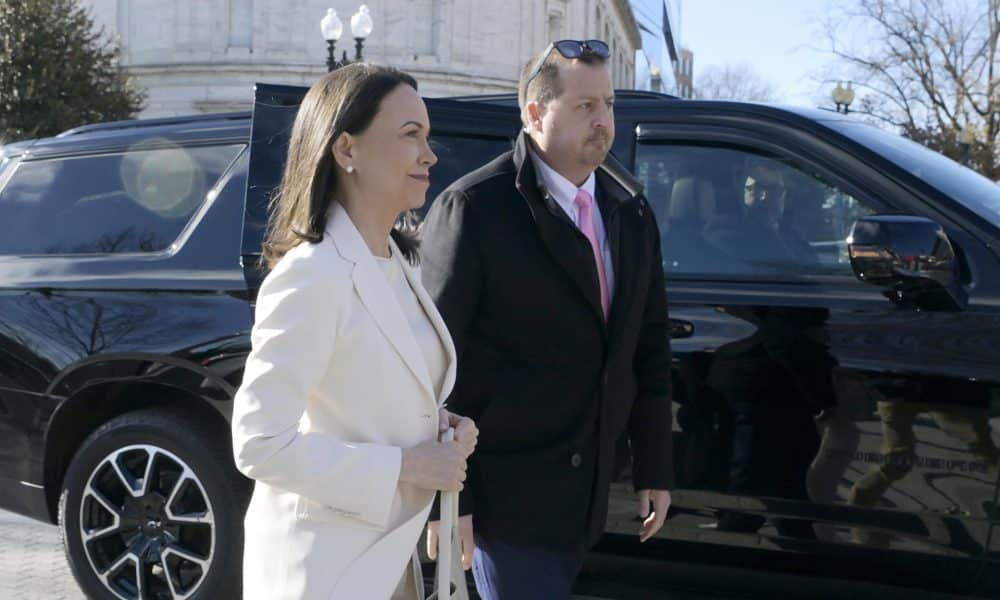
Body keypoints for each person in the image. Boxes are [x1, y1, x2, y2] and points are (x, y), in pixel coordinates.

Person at [420, 40, 674, 600]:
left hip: (588, 498)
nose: (603, 120)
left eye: (608, 104)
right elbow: (435, 371)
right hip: (507, 500)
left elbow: (648, 345)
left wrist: (654, 465)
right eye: (585, 106)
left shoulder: (629, 208)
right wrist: (453, 499)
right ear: (534, 113)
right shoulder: (476, 209)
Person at [231, 64, 477, 600]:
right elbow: (258, 444)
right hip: (324, 572)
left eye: (428, 137)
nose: (430, 155)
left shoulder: (397, 263)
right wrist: (410, 465)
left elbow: (364, 394)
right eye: (411, 136)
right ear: (347, 149)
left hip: (387, 563)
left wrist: (439, 425)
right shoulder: (311, 274)